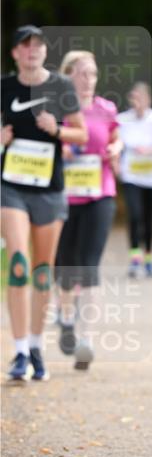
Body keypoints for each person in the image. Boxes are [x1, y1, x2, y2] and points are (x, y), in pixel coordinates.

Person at [1, 26, 87, 382]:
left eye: (37, 45)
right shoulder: (4, 87)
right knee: (19, 263)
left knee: (41, 270)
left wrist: (58, 129)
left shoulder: (61, 87)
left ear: (45, 52)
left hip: (49, 189)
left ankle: (36, 347)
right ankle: (19, 350)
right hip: (11, 187)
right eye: (25, 45)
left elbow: (81, 133)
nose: (32, 50)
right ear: (15, 53)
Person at [54, 50, 122, 371]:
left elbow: (117, 138)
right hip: (63, 197)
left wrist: (116, 148)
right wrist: (61, 150)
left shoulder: (105, 108)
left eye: (92, 73)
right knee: (65, 266)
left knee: (89, 265)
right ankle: (67, 318)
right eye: (81, 73)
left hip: (100, 194)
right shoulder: (56, 110)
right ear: (67, 76)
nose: (88, 79)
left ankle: (87, 340)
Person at [117, 82, 152, 277]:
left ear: (148, 99)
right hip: (131, 175)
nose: (137, 102)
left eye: (141, 97)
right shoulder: (122, 120)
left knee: (149, 218)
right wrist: (116, 164)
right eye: (134, 98)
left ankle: (148, 256)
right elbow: (115, 143)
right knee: (134, 215)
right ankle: (135, 258)